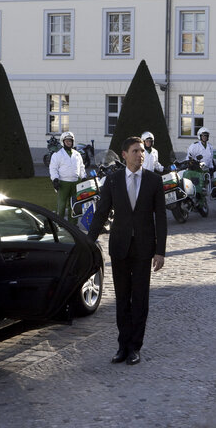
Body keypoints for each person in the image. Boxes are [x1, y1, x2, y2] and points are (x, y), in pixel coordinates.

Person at [88, 136, 167, 366]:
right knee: (122, 299)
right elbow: (101, 213)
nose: (140, 155)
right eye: (135, 151)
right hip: (120, 248)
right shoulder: (112, 181)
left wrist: (160, 250)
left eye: (142, 151)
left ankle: (135, 347)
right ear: (124, 154)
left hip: (144, 248)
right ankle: (122, 345)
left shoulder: (153, 181)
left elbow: (160, 218)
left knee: (140, 298)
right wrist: (89, 241)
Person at [49, 131, 86, 220]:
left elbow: (81, 167)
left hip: (75, 183)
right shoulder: (57, 154)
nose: (69, 143)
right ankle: (59, 224)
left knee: (74, 204)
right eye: (67, 141)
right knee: (62, 204)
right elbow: (53, 168)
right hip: (63, 183)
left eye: (70, 141)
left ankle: (73, 224)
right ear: (63, 142)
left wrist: (84, 176)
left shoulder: (77, 154)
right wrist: (55, 179)